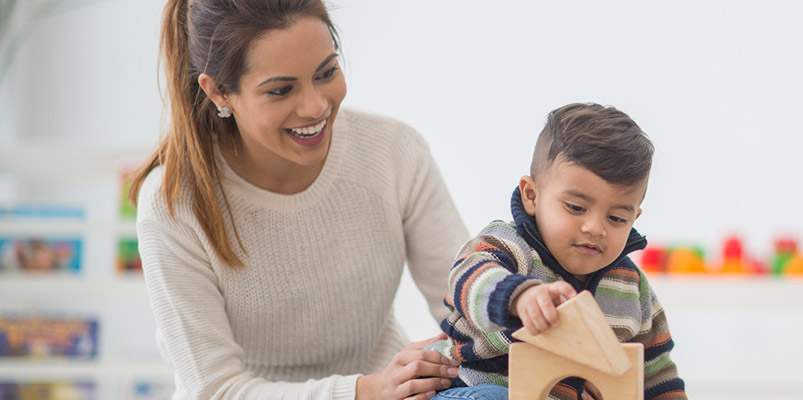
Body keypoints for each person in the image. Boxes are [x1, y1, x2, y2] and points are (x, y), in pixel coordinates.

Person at [128, 0, 467, 398]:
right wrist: (364, 391)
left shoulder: (394, 152)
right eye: (281, 90)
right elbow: (215, 390)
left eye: (327, 72)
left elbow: (468, 305)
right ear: (219, 91)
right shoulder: (173, 204)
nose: (316, 106)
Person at [430, 103, 686, 400]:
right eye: (576, 208)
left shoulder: (632, 287)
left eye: (616, 218)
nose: (595, 228)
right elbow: (468, 277)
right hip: (476, 388)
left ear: (634, 219)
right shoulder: (511, 246)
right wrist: (519, 297)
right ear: (532, 196)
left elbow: (656, 372)